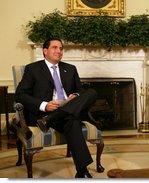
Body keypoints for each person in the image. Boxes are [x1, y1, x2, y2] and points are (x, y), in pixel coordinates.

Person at [14, 38, 97, 178]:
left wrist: (74, 96)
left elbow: (81, 91)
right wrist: (45, 105)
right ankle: (83, 172)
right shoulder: (33, 69)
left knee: (92, 93)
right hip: (45, 112)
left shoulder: (70, 69)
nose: (59, 51)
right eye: (55, 47)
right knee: (72, 121)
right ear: (45, 51)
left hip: (64, 109)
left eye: (61, 48)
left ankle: (51, 119)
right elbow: (20, 95)